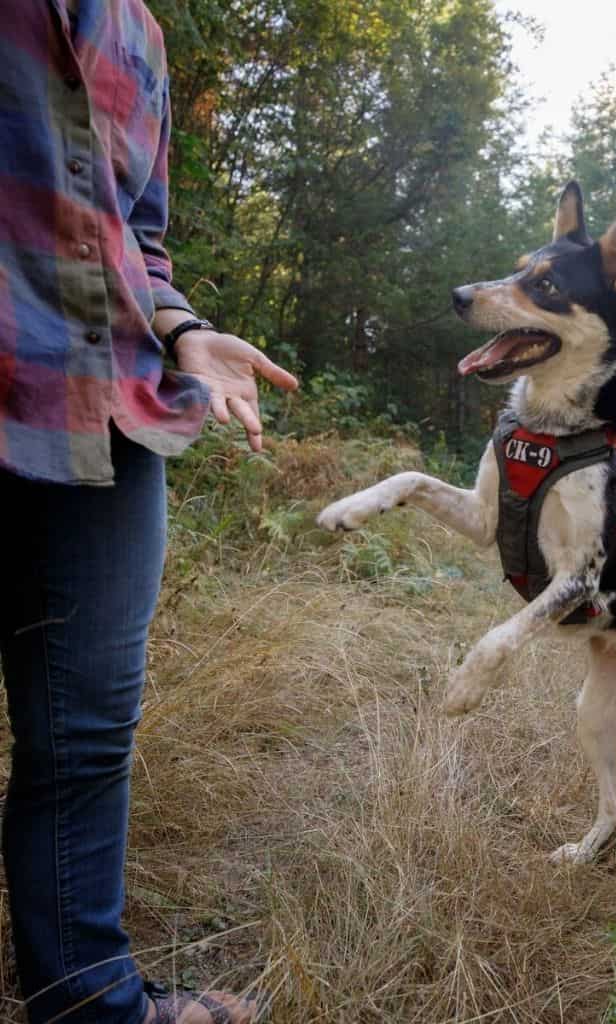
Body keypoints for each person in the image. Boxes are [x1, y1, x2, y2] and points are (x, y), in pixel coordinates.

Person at [0, 2, 299, 1022]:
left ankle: (89, 1002)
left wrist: (185, 331)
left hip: (110, 410)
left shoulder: (143, 34)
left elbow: (139, 240)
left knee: (83, 743)